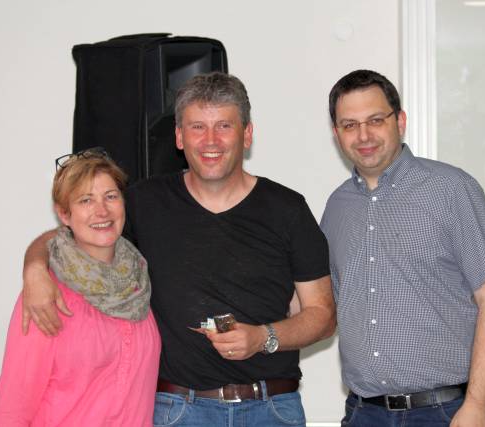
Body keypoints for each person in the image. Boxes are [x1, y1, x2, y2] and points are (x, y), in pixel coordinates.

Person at [20, 72, 336, 427]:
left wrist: (264, 337)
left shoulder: (287, 209)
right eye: (197, 127)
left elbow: (323, 315)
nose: (210, 140)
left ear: (247, 134)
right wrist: (34, 269)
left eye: (224, 126)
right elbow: (71, 234)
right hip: (178, 411)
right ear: (179, 137)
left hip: (271, 409)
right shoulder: (144, 202)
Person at [320, 69, 485, 427]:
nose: (364, 135)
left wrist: (478, 404)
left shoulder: (452, 189)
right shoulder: (336, 208)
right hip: (363, 413)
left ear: (400, 121)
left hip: (442, 413)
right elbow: (324, 304)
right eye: (350, 125)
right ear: (337, 134)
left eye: (375, 120)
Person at [0, 149, 161, 426]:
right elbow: (13, 408)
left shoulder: (139, 286)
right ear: (64, 214)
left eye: (110, 196)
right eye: (86, 200)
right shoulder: (46, 295)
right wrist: (34, 265)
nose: (102, 211)